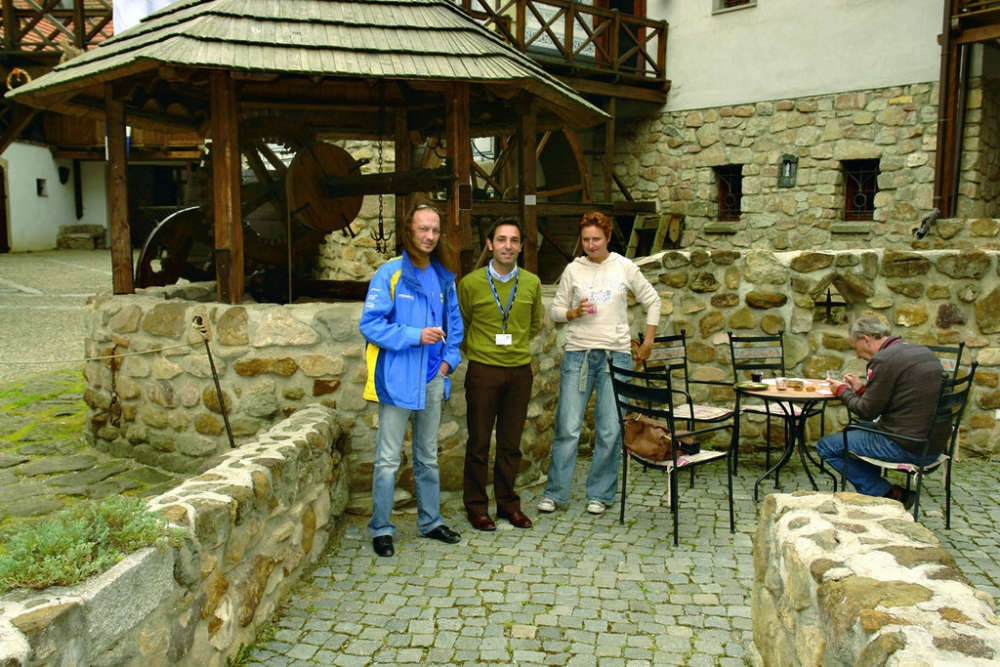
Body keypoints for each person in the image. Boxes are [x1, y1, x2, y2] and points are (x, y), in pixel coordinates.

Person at [538, 211, 661, 515]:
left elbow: (653, 300)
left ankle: (600, 494)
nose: (590, 245)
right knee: (568, 428)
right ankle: (555, 493)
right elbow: (555, 310)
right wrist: (572, 313)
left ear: (607, 238)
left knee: (609, 430)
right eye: (585, 240)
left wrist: (647, 342)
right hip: (578, 355)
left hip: (615, 356)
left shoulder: (624, 266)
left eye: (596, 239)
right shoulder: (573, 269)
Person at [359, 204, 464, 557]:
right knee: (388, 459)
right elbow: (370, 325)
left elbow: (455, 328)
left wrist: (447, 365)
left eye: (435, 230)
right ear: (409, 231)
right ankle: (381, 528)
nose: (429, 236)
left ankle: (431, 522)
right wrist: (414, 335)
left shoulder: (444, 277)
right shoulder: (390, 273)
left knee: (428, 456)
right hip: (397, 379)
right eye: (423, 229)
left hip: (433, 378)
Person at [458, 218, 544, 531]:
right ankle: (477, 508)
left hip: (520, 372)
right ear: (490, 244)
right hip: (483, 371)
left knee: (510, 444)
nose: (508, 246)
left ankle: (508, 505)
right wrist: (481, 351)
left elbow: (533, 324)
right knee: (479, 443)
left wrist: (513, 345)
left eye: (514, 240)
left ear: (521, 246)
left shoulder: (532, 283)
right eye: (501, 239)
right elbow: (462, 325)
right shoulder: (470, 283)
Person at [816, 314, 949, 508]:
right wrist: (860, 391)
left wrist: (842, 391)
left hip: (908, 446)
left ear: (866, 339)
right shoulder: (920, 351)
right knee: (851, 433)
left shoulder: (884, 359)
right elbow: (889, 401)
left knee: (826, 446)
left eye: (856, 348)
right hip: (932, 444)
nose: (857, 355)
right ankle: (875, 495)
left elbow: (867, 412)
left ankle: (888, 495)